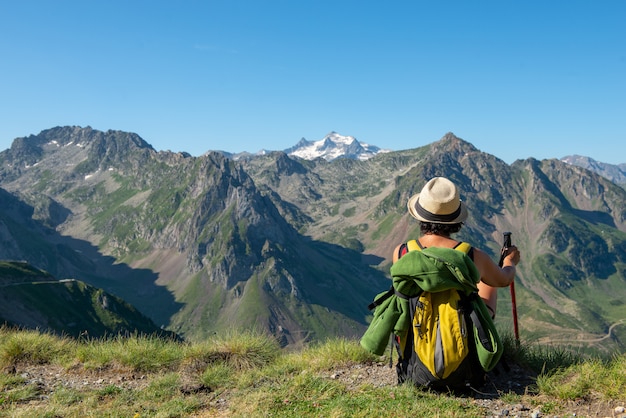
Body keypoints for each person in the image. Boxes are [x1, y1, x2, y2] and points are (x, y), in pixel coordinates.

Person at [393, 176, 520, 318]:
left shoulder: (401, 251)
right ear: (456, 221)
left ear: (420, 217)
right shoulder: (473, 256)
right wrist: (510, 261)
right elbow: (504, 279)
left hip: (414, 335)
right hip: (459, 337)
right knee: (488, 282)